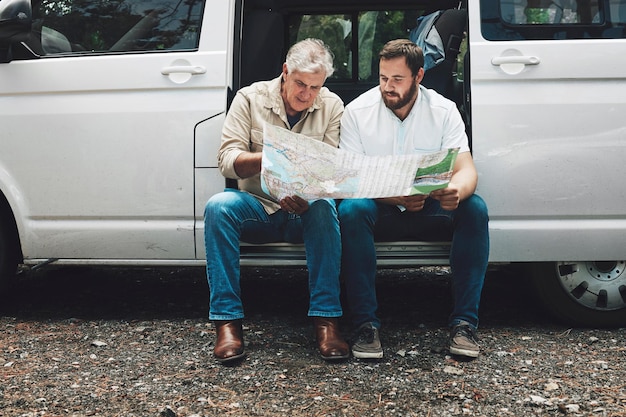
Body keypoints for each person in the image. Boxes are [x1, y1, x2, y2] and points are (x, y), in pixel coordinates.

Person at [338, 39, 489, 360]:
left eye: (397, 79)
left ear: (418, 76)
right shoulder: (357, 113)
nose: (387, 87)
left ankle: (465, 324)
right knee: (351, 209)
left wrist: (455, 191)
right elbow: (349, 179)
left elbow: (466, 169)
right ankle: (365, 325)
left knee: (474, 207)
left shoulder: (444, 110)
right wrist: (391, 195)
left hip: (430, 208)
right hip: (380, 209)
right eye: (382, 78)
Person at [204, 38, 349, 364]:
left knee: (326, 207)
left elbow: (333, 170)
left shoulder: (332, 105)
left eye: (315, 87)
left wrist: (312, 193)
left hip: (306, 210)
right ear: (285, 72)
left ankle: (326, 320)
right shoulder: (249, 98)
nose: (306, 94)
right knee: (217, 207)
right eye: (300, 83)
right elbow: (227, 160)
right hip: (259, 206)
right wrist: (268, 158)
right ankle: (226, 322)